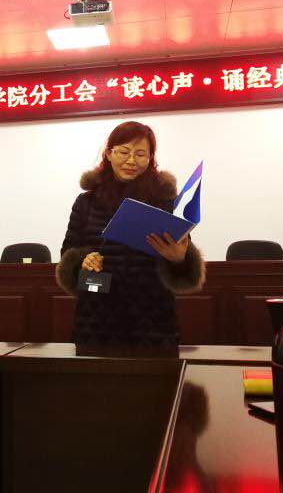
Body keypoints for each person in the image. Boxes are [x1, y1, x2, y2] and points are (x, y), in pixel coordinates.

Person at [56, 121, 205, 346]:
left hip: (153, 317)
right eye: (124, 152)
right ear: (108, 154)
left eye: (140, 154)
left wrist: (179, 259)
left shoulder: (164, 200)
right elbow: (68, 254)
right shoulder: (86, 201)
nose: (131, 160)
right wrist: (83, 262)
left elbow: (183, 259)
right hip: (96, 317)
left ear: (150, 158)